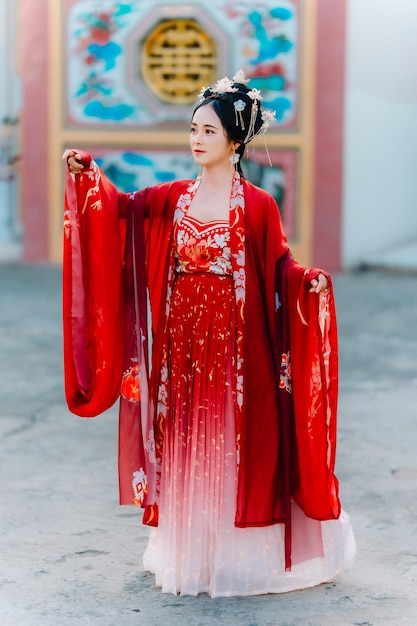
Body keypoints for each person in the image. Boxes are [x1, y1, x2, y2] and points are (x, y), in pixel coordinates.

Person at [62, 70, 355, 598]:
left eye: (209, 132)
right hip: (182, 343)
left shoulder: (259, 206)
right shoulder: (172, 198)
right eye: (193, 129)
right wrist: (89, 178)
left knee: (231, 441)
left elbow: (279, 267)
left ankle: (237, 556)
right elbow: (119, 211)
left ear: (236, 142)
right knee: (186, 437)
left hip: (239, 345)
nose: (197, 140)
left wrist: (308, 283)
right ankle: (189, 550)